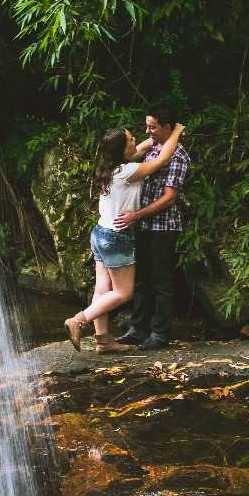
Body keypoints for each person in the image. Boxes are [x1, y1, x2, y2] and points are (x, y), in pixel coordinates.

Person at [64, 121, 185, 353]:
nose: (135, 140)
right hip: (116, 236)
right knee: (123, 292)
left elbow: (140, 148)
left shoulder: (112, 167)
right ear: (123, 149)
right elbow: (161, 160)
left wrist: (156, 137)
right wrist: (176, 132)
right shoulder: (128, 172)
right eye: (130, 139)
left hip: (100, 233)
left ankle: (104, 341)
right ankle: (78, 321)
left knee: (102, 290)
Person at [113, 105, 191, 349]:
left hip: (163, 227)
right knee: (141, 280)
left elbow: (170, 198)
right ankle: (138, 329)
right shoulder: (155, 147)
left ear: (166, 127)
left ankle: (159, 333)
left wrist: (135, 215)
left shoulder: (177, 156)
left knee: (161, 280)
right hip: (143, 224)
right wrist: (171, 132)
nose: (147, 131)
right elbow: (134, 152)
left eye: (152, 127)